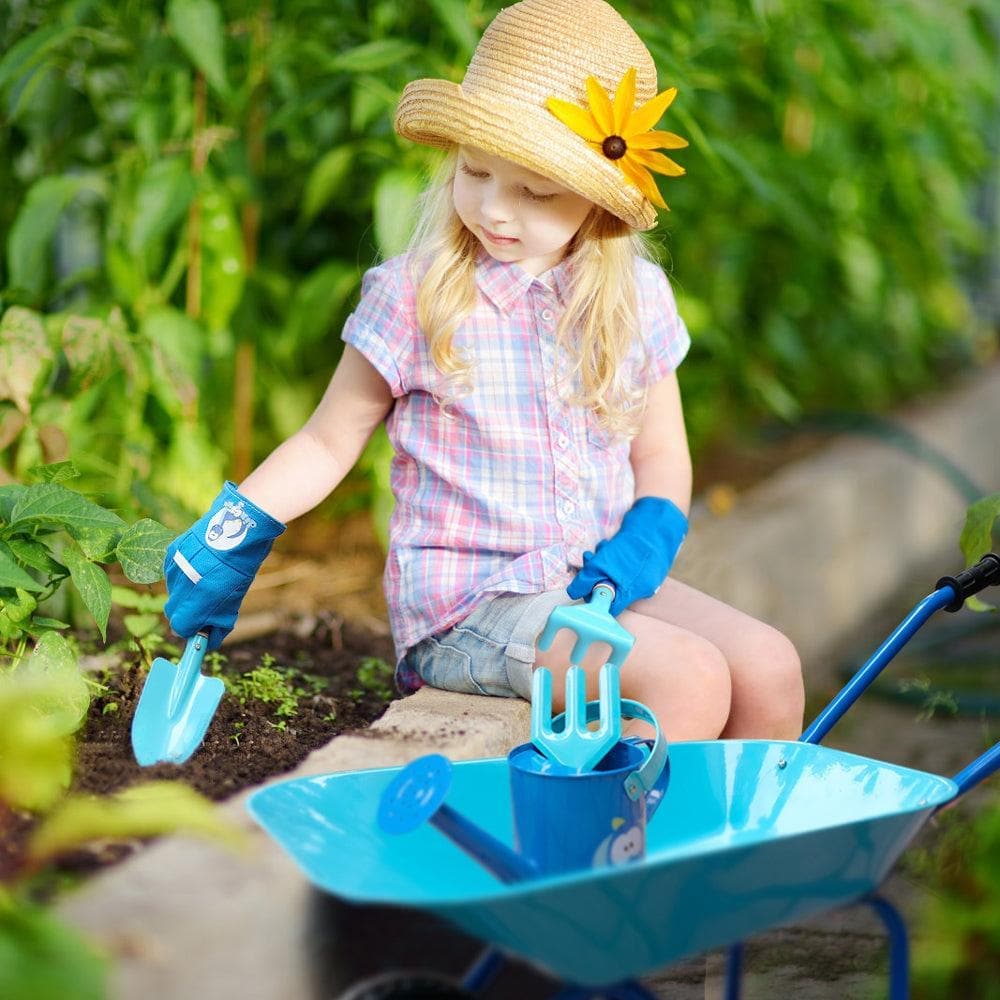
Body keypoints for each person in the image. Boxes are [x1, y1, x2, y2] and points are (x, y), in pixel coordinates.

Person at [163, 0, 804, 743]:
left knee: (769, 666)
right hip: (472, 610)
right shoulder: (418, 295)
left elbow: (661, 455)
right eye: (476, 172)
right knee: (686, 677)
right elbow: (326, 442)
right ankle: (621, 853)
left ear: (597, 205)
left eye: (535, 190)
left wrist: (644, 544)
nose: (496, 209)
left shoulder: (635, 301)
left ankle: (741, 854)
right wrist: (233, 533)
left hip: (598, 583)